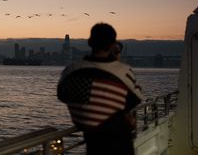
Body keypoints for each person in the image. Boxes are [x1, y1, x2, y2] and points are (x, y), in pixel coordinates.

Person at [57, 23, 144, 155]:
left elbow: (62, 95)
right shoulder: (123, 71)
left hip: (92, 141)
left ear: (90, 42)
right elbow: (136, 98)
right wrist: (117, 61)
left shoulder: (70, 71)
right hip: (120, 143)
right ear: (113, 45)